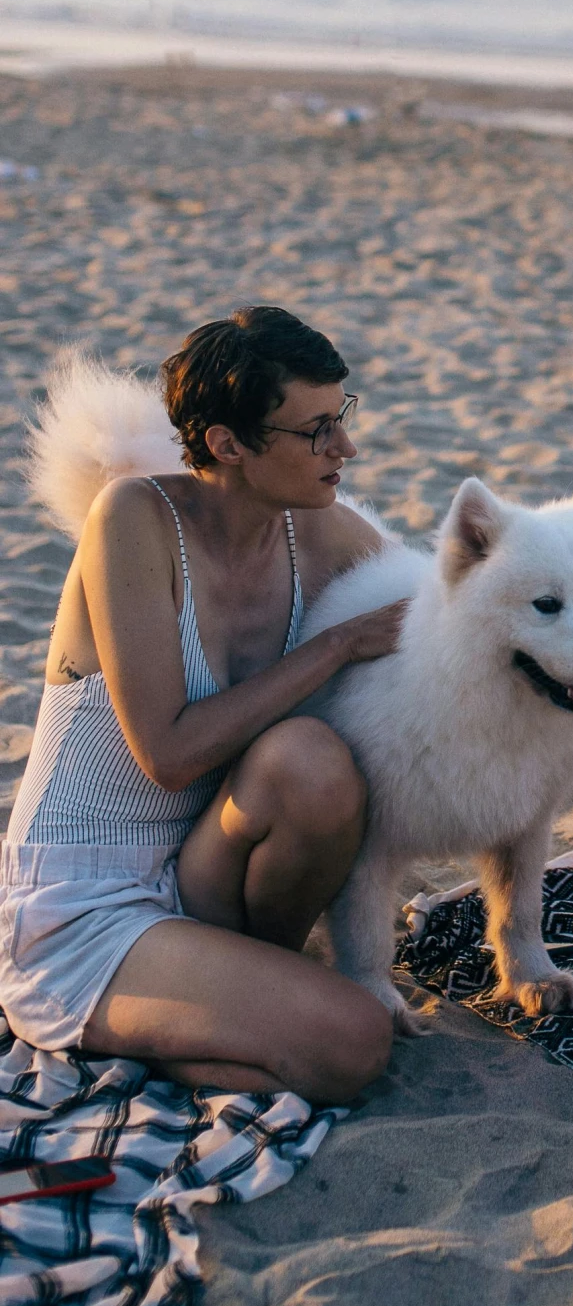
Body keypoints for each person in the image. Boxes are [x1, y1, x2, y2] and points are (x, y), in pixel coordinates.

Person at [1, 307, 405, 1101]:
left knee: (313, 766)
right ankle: (197, 1018)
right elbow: (169, 755)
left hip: (201, 869)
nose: (344, 449)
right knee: (356, 1044)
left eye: (342, 419)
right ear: (227, 443)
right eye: (315, 429)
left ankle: (246, 990)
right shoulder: (134, 518)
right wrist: (334, 644)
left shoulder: (314, 530)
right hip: (87, 900)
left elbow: (449, 601)